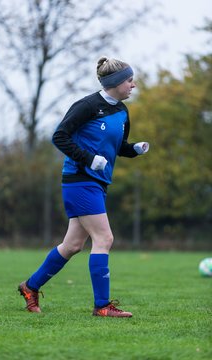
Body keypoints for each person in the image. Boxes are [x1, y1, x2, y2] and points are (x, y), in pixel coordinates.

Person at [18, 56, 149, 317]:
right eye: (129, 81)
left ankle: (30, 287)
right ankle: (102, 306)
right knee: (105, 238)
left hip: (97, 183)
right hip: (80, 180)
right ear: (114, 83)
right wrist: (88, 159)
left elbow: (118, 147)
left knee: (72, 245)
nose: (133, 85)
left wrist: (134, 149)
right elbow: (59, 136)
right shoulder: (87, 106)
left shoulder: (122, 111)